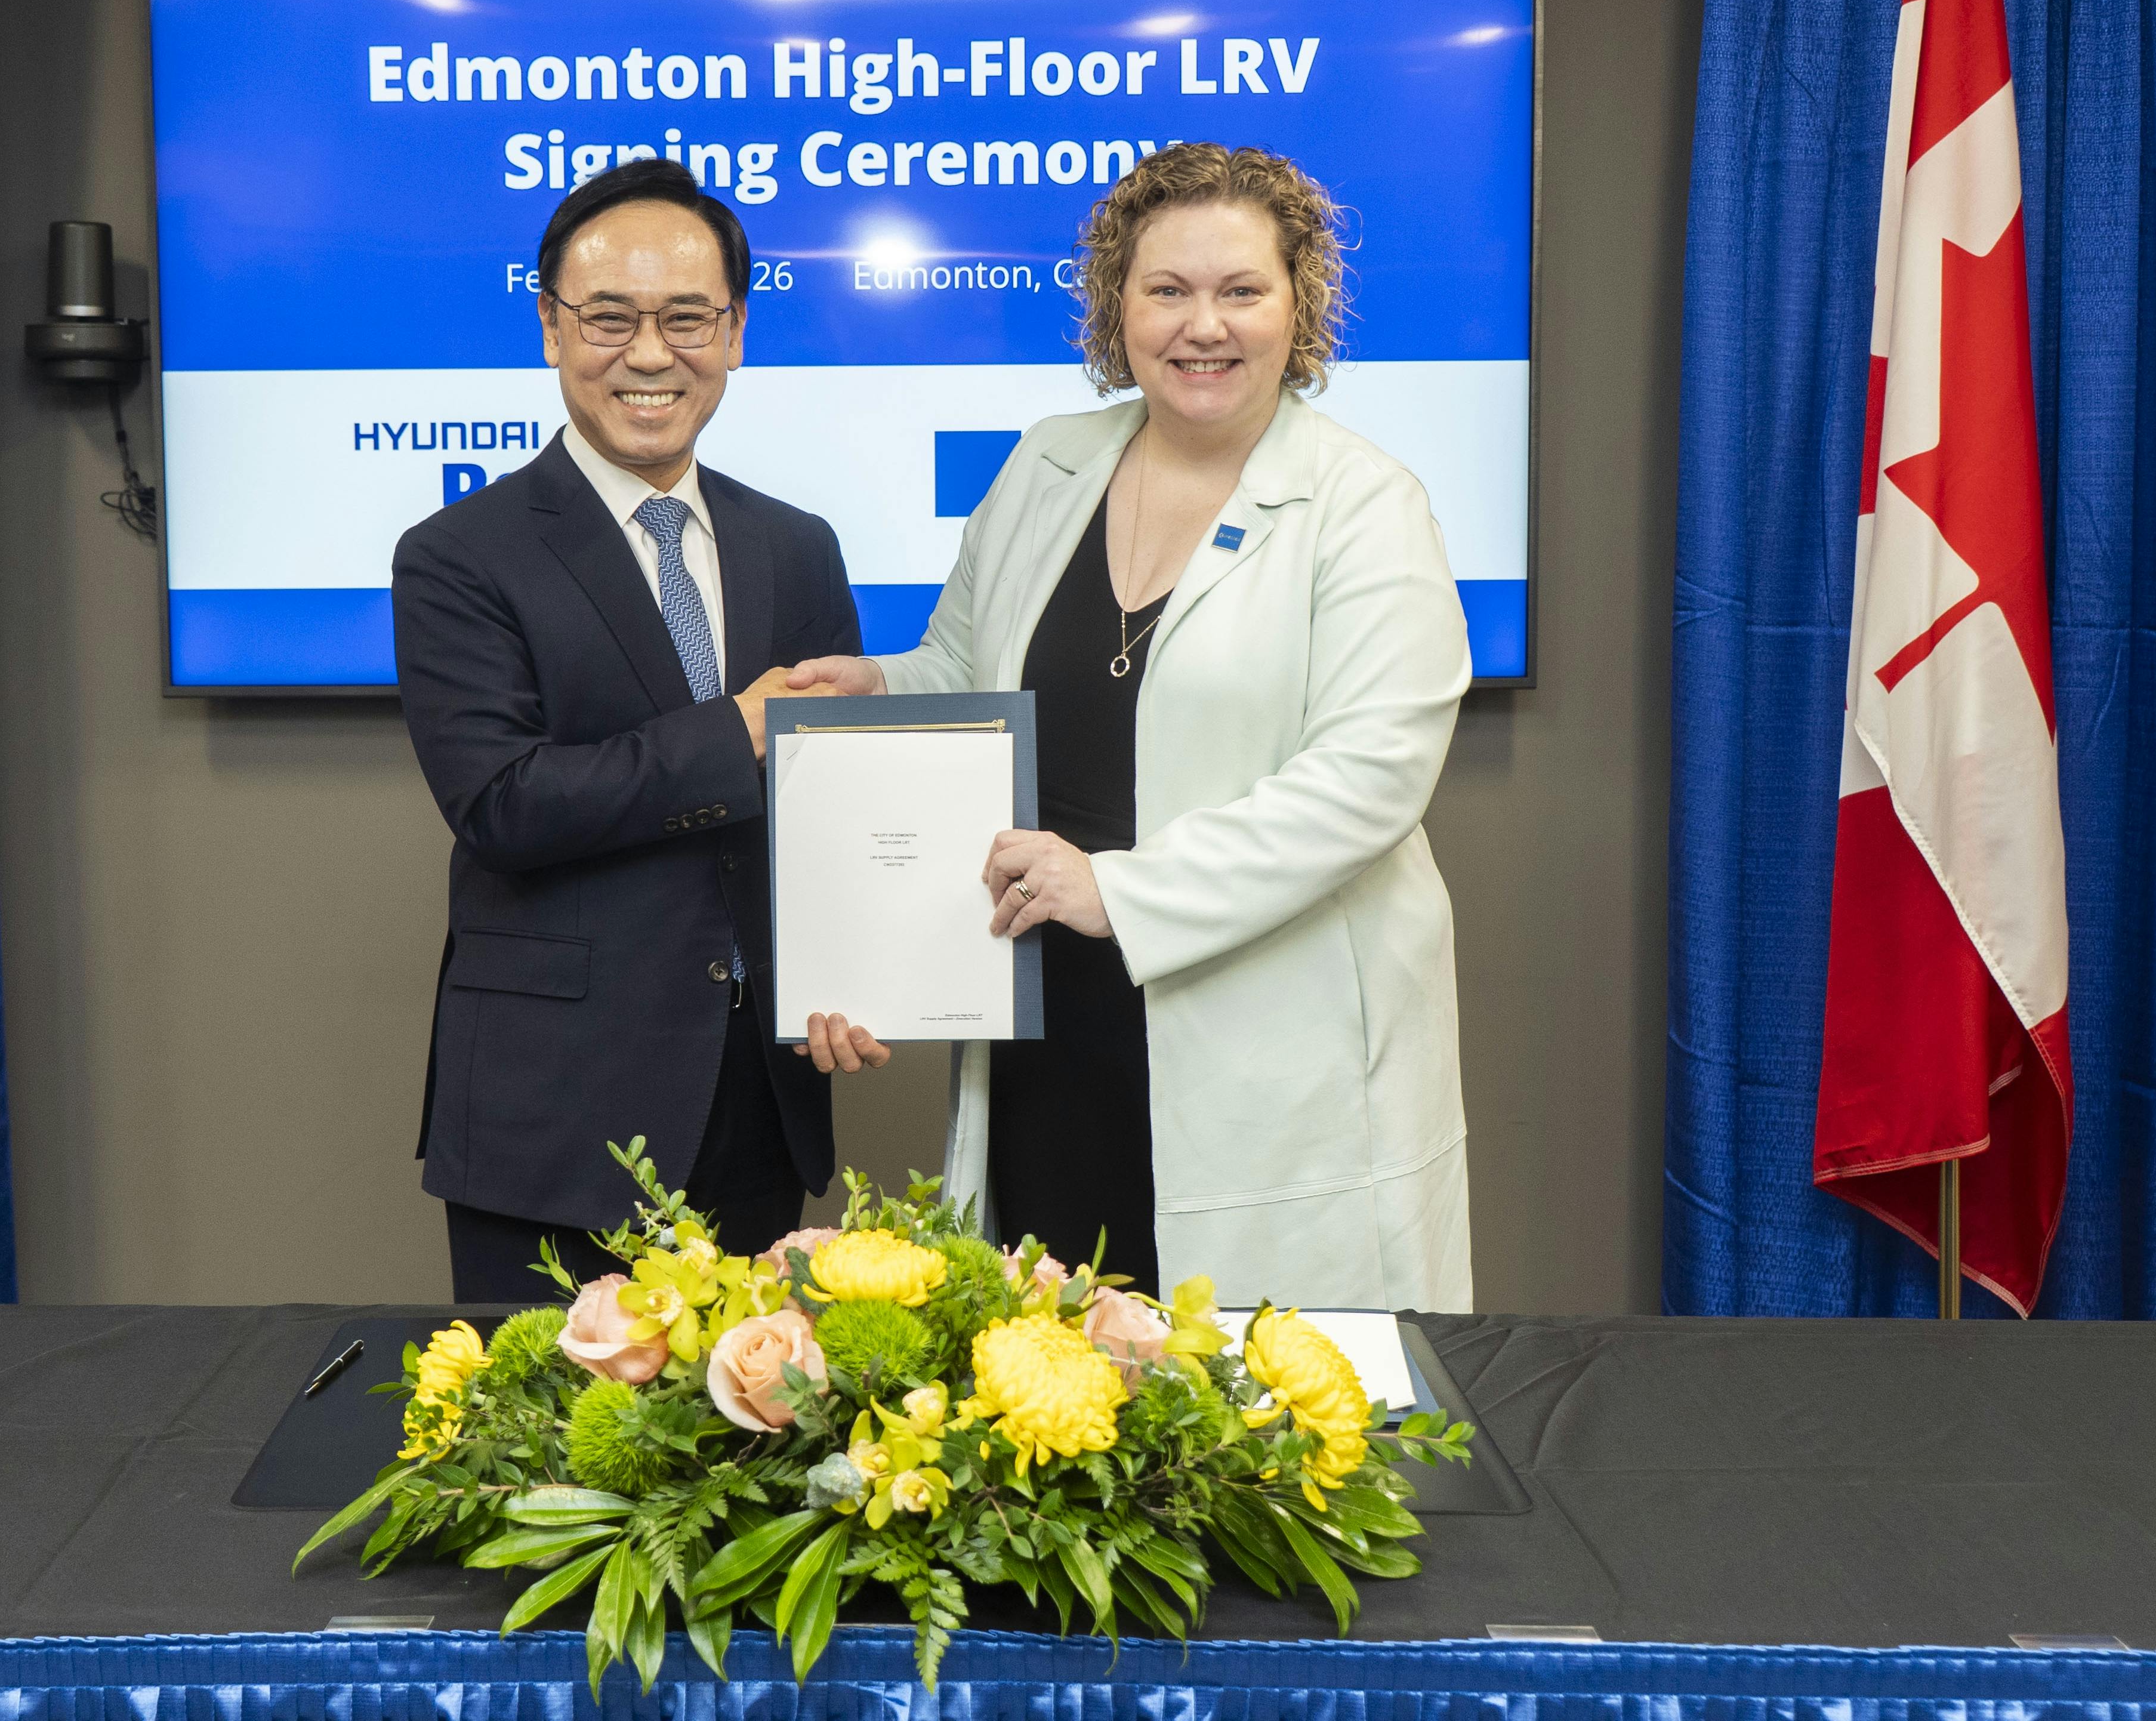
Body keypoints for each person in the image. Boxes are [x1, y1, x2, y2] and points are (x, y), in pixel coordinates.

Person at [786, 144, 1475, 1310]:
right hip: (1055, 1025)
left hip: (1268, 1047)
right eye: (1167, 290)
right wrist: (879, 691)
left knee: (1253, 1429)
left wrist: (1123, 889)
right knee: (1058, 1387)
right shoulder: (1053, 460)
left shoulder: (1366, 503)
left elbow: (1369, 776)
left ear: (1298, 301)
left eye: (1242, 290)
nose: (1203, 325)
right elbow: (968, 659)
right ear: (1118, 304)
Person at [394, 158, 885, 1303]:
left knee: (755, 1456)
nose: (652, 354)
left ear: (737, 331)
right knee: (554, 1466)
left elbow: (836, 811)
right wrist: (742, 732)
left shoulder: (797, 545)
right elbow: (503, 804)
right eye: (610, 318)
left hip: (759, 1099)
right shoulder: (459, 554)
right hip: (557, 1114)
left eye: (688, 318)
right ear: (552, 327)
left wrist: (868, 966)